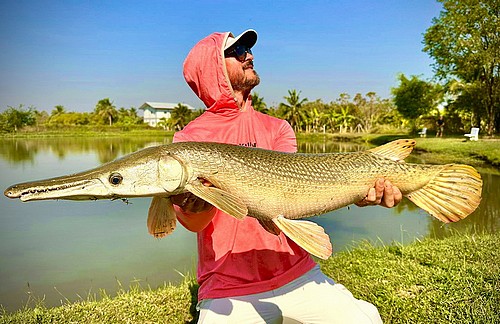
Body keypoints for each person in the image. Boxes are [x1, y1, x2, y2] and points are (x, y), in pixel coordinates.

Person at [171, 29, 402, 323]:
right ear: (211, 66)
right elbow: (194, 223)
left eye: (249, 49)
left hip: (297, 270)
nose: (249, 56)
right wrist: (194, 204)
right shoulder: (189, 138)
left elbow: (296, 193)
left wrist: (358, 193)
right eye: (238, 50)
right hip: (227, 285)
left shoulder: (277, 127)